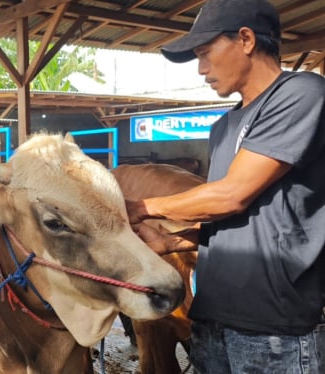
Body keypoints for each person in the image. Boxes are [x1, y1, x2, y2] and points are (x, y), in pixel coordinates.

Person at [125, 0, 325, 372]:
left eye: (204, 54)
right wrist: (171, 242)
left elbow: (232, 196)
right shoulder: (223, 128)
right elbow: (234, 222)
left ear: (246, 39)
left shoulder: (301, 94)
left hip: (273, 331)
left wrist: (142, 207)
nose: (201, 70)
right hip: (211, 321)